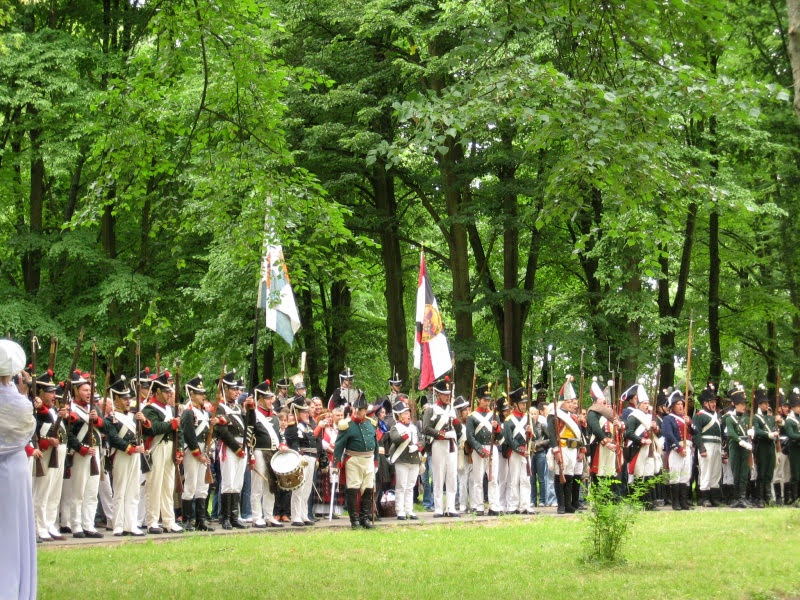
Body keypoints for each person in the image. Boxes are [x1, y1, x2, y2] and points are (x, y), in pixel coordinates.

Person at [0, 340, 37, 599]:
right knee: (13, 533)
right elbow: (26, 432)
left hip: (12, 467)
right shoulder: (20, 403)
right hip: (12, 469)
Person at [142, 370, 184, 533]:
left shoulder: (169, 410)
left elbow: (178, 431)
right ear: (158, 391)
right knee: (154, 485)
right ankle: (152, 521)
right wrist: (170, 425)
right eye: (166, 391)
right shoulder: (149, 409)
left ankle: (169, 520)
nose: (169, 394)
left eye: (170, 392)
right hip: (157, 448)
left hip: (169, 448)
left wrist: (179, 450)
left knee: (168, 486)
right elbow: (153, 428)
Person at [65, 369, 105, 538]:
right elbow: (69, 434)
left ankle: (89, 524)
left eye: (89, 390)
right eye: (85, 390)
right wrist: (81, 448)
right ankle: (76, 525)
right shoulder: (70, 408)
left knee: (91, 491)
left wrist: (97, 419)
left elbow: (105, 428)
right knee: (78, 491)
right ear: (76, 391)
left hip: (94, 452)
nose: (88, 393)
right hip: (81, 453)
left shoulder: (93, 408)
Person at [105, 376, 147, 536]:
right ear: (116, 399)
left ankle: (131, 523)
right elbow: (114, 438)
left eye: (129, 398)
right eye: (124, 398)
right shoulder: (112, 418)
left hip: (135, 455)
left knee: (133, 491)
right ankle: (118, 524)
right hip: (122, 455)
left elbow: (144, 432)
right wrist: (130, 448)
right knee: (120, 490)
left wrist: (144, 421)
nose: (128, 401)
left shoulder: (133, 417)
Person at [333, 391, 379, 529]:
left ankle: (365, 518)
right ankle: (354, 520)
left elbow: (375, 443)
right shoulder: (346, 425)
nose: (359, 413)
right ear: (353, 409)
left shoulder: (371, 424)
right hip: (353, 459)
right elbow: (339, 445)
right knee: (353, 488)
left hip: (368, 459)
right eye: (357, 410)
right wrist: (335, 463)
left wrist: (376, 460)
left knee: (368, 488)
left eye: (362, 410)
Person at [32, 369, 68, 541]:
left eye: (54, 392)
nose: (54, 395)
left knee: (54, 492)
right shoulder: (38, 412)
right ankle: (39, 526)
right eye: (50, 392)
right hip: (46, 454)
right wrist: (47, 442)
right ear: (41, 393)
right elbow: (36, 434)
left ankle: (49, 523)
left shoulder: (52, 411)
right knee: (42, 492)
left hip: (58, 453)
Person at [180, 374, 216, 531]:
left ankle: (201, 520)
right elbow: (188, 435)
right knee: (190, 485)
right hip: (193, 452)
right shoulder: (189, 412)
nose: (203, 396)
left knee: (203, 487)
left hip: (204, 452)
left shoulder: (205, 413)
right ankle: (187, 520)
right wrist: (198, 454)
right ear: (192, 394)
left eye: (203, 393)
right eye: (200, 393)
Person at [250, 380, 287, 528]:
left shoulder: (274, 416)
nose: (271, 401)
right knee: (257, 486)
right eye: (267, 398)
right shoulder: (253, 415)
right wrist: (250, 455)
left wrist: (282, 444)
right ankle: (256, 516)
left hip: (273, 453)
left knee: (271, 486)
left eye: (271, 398)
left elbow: (280, 435)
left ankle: (269, 516)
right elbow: (249, 436)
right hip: (259, 451)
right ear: (259, 399)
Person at [214, 370, 247, 530]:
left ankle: (234, 516)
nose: (237, 392)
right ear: (225, 390)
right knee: (228, 482)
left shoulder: (239, 408)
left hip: (242, 447)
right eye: (233, 389)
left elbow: (247, 428)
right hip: (230, 447)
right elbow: (222, 431)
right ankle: (225, 517)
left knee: (238, 483)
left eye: (237, 390)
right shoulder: (219, 408)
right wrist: (236, 448)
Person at [422, 377, 460, 518]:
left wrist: (455, 421)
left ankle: (451, 507)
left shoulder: (452, 409)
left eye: (448, 394)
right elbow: (426, 428)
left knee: (451, 476)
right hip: (438, 444)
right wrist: (442, 434)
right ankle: (438, 508)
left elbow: (459, 430)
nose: (447, 397)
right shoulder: (431, 410)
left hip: (451, 445)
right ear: (438, 394)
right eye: (444, 394)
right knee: (438, 476)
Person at [466, 384, 502, 515]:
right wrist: (480, 449)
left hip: (492, 448)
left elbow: (500, 436)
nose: (487, 402)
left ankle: (494, 506)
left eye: (488, 400)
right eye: (484, 400)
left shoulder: (494, 415)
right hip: (478, 449)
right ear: (479, 400)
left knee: (493, 478)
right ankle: (479, 506)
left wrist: (497, 427)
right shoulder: (472, 417)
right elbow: (470, 437)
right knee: (478, 479)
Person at [284, 396, 320, 527]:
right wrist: (298, 456)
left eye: (307, 411)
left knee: (307, 489)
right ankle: (296, 515)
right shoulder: (294, 427)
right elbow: (293, 442)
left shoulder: (307, 426)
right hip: (301, 458)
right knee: (298, 488)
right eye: (303, 412)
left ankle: (304, 513)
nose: (307, 414)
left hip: (310, 458)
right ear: (297, 412)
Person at [623, 384, 659, 510]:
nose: (646, 405)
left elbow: (658, 433)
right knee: (638, 475)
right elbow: (629, 433)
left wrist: (655, 428)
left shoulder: (650, 417)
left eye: (647, 403)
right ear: (638, 404)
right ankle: (637, 501)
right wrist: (641, 440)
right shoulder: (633, 416)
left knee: (648, 474)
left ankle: (648, 502)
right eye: (644, 403)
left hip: (649, 450)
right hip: (638, 449)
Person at [387, 400, 422, 520]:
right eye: (405, 413)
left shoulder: (414, 427)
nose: (408, 415)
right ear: (399, 415)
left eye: (408, 413)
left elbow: (422, 440)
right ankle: (400, 510)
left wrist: (417, 446)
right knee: (401, 486)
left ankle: (409, 509)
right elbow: (395, 439)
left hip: (414, 459)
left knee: (410, 486)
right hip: (402, 459)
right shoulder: (396, 428)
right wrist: (406, 434)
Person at [663, 390, 696, 510]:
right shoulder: (668, 419)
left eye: (682, 404)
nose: (681, 406)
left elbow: (695, 431)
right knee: (675, 475)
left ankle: (683, 502)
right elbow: (669, 435)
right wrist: (679, 448)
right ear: (672, 406)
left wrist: (690, 423)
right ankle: (675, 502)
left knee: (685, 476)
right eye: (678, 404)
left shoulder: (686, 418)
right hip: (676, 449)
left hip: (687, 448)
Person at [692, 384, 723, 507]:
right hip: (706, 445)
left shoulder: (718, 416)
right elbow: (696, 433)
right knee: (705, 471)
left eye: (714, 401)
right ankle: (704, 498)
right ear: (705, 403)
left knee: (716, 472)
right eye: (711, 402)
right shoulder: (699, 416)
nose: (714, 404)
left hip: (717, 445)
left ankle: (714, 497)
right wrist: (701, 448)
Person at [752, 385, 779, 508]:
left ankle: (768, 497)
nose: (766, 405)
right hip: (761, 446)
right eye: (764, 403)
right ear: (759, 404)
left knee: (769, 472)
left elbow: (777, 429)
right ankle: (760, 498)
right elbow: (757, 431)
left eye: (767, 403)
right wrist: (769, 434)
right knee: (761, 472)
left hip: (770, 447)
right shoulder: (756, 418)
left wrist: (779, 423)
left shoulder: (771, 418)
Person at [782, 389, 800, 504]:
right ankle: (795, 498)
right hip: (794, 449)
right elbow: (791, 434)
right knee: (795, 473)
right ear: (793, 406)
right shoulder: (789, 420)